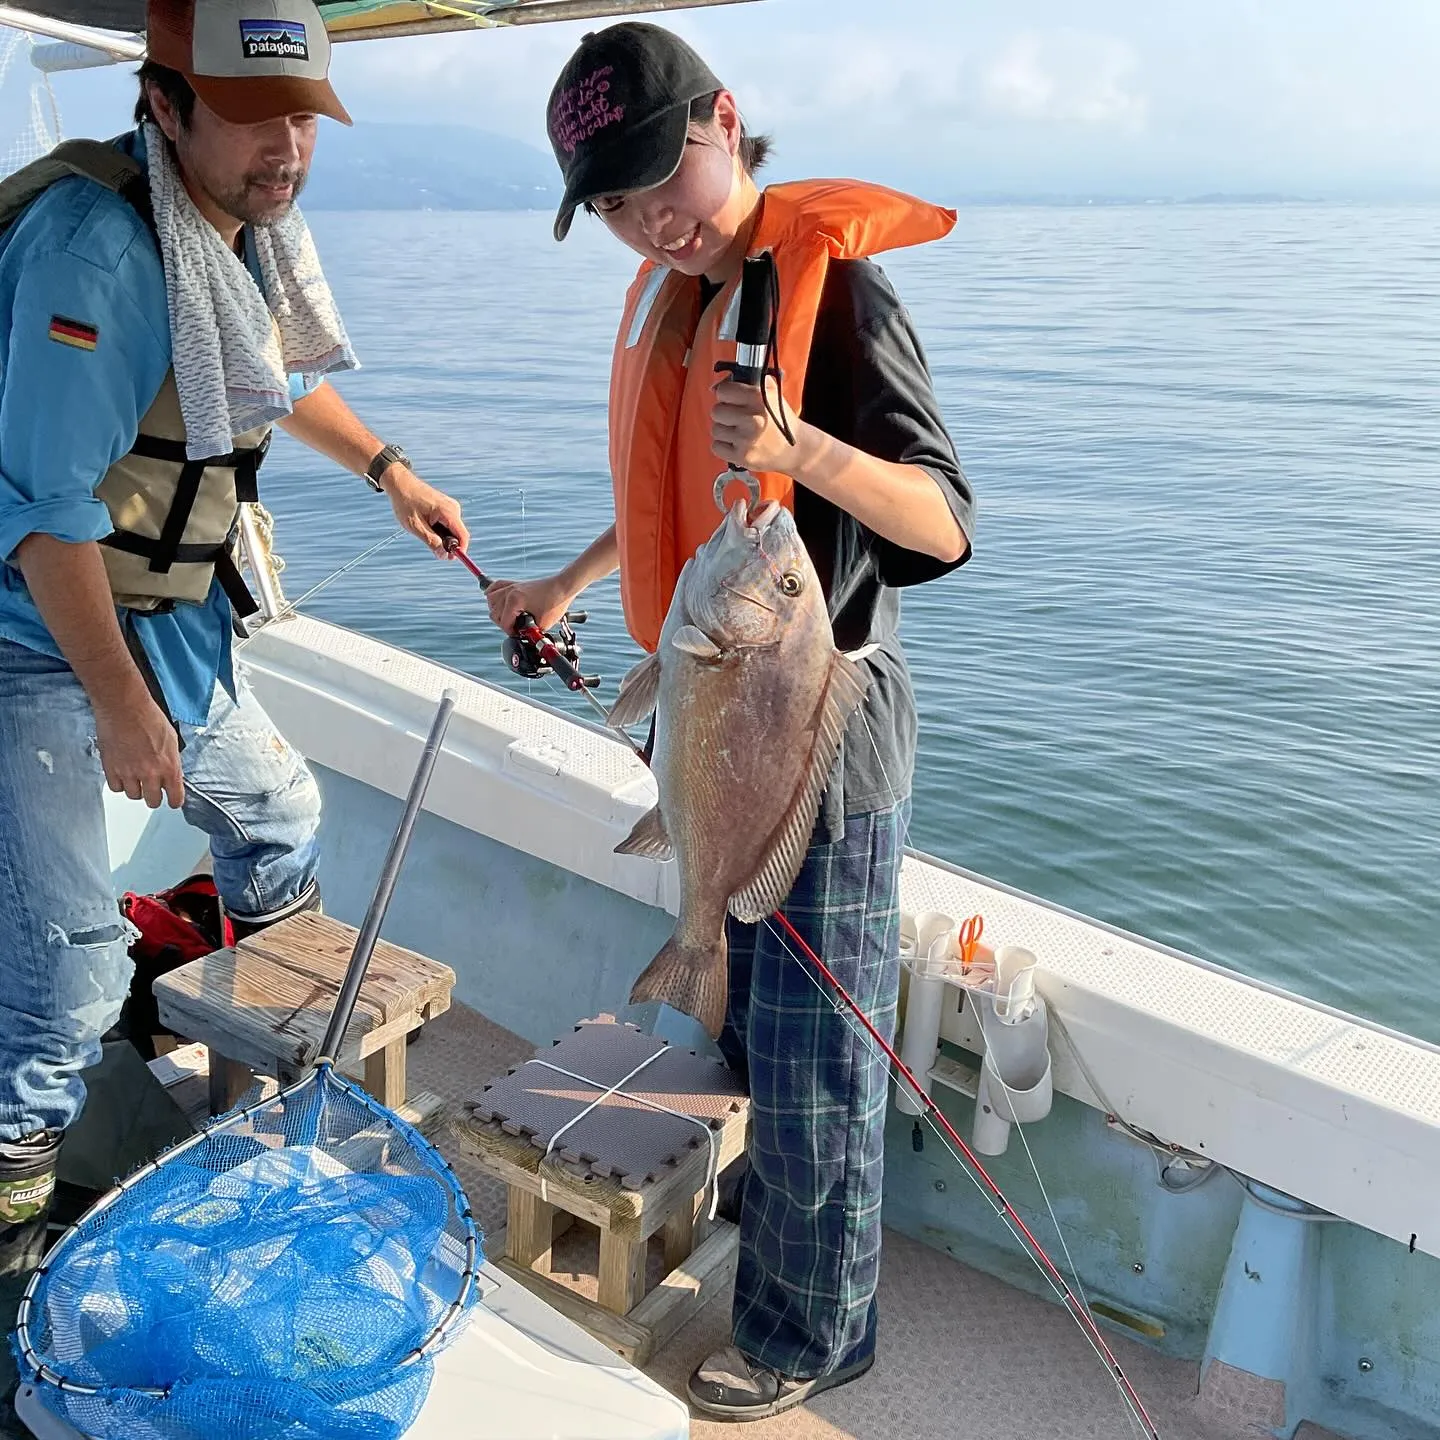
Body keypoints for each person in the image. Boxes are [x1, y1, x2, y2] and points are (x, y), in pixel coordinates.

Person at [487, 21, 974, 1423]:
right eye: (619, 202)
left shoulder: (849, 298)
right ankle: (774, 1223)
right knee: (754, 1033)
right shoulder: (687, 297)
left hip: (820, 735)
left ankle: (809, 1332)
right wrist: (570, 580)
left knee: (818, 1056)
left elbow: (946, 525)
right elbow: (691, 504)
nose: (653, 219)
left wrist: (802, 450)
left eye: (664, 178)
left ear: (727, 122)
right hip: (711, 710)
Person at [0, 0, 469, 1293]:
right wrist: (120, 709)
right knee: (65, 981)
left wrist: (387, 468)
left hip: (169, 620)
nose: (287, 149)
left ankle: (281, 1093)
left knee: (276, 813)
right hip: (35, 635)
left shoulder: (238, 231)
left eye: (303, 118)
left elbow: (265, 372)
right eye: (255, 117)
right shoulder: (96, 253)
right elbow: (43, 514)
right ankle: (11, 1220)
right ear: (164, 104)